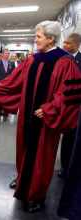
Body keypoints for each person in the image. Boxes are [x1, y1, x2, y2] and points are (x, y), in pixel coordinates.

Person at [0, 20, 81, 212]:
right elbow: (13, 81)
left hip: (45, 120)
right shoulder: (32, 60)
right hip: (27, 116)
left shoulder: (65, 62)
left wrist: (50, 108)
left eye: (38, 36)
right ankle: (23, 180)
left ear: (50, 39)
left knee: (43, 156)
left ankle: (37, 195)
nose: (35, 40)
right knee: (24, 149)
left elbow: (69, 92)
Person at [58, 33, 81, 179]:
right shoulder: (61, 60)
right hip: (64, 105)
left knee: (75, 138)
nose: (65, 46)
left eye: (68, 43)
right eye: (64, 43)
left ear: (77, 45)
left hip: (77, 107)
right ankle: (65, 166)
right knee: (67, 138)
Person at [0, 49, 15, 120]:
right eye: (6, 53)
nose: (7, 55)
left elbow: (13, 75)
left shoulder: (11, 64)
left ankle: (6, 113)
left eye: (8, 53)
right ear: (2, 54)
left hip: (8, 85)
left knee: (6, 100)